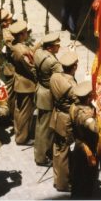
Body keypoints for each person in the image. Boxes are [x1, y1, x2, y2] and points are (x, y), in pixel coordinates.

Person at [49, 50, 79, 193]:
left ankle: (57, 177)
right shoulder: (71, 86)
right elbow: (80, 101)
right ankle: (62, 183)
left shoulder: (55, 77)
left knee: (57, 149)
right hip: (66, 120)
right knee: (64, 152)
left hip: (56, 115)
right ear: (74, 67)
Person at [33, 32, 62, 166]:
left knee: (41, 125)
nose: (59, 47)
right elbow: (61, 78)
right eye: (57, 45)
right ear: (50, 48)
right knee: (45, 129)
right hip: (48, 95)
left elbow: (37, 46)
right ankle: (41, 157)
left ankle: (41, 152)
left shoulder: (38, 52)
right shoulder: (52, 62)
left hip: (40, 90)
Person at [69, 80, 98, 199]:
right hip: (85, 147)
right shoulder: (84, 114)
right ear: (88, 97)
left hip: (78, 143)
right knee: (86, 175)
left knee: (78, 173)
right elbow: (95, 128)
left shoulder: (74, 106)